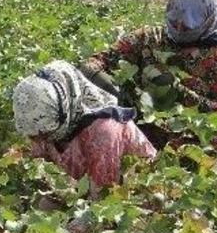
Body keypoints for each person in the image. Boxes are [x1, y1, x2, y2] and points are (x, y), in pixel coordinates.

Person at [82, 0, 217, 122]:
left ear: (208, 19)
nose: (178, 27)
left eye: (188, 24)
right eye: (175, 19)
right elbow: (95, 63)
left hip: (188, 141)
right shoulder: (148, 38)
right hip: (139, 126)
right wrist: (114, 91)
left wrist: (179, 92)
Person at [14, 61, 156, 192]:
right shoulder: (46, 128)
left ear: (63, 109)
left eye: (43, 134)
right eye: (32, 135)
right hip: (84, 192)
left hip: (132, 196)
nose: (38, 140)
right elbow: (40, 165)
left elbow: (104, 198)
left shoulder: (104, 131)